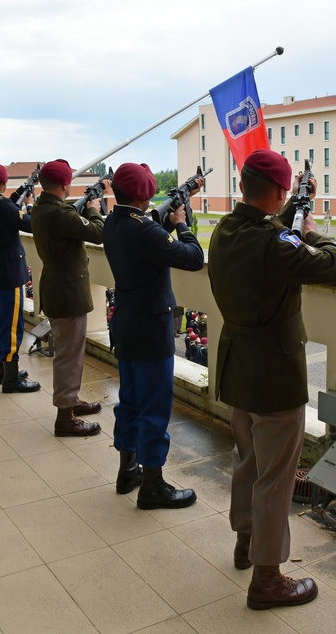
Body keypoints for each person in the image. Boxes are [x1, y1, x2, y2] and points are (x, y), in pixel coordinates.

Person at [208, 149, 336, 610]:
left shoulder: (225, 231)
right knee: (276, 477)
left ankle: (246, 543)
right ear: (278, 191)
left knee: (248, 461)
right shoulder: (276, 245)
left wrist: (294, 207)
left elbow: (269, 230)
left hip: (237, 365)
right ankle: (268, 578)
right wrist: (314, 231)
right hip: (273, 370)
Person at [102, 162, 204, 507]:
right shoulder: (144, 230)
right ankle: (153, 485)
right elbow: (193, 258)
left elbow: (146, 235)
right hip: (150, 327)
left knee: (129, 401)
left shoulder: (114, 222)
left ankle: (127, 469)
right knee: (155, 407)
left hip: (127, 324)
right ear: (147, 194)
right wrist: (182, 224)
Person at [31, 159, 105, 437]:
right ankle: (65, 416)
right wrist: (95, 210)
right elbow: (98, 233)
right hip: (68, 290)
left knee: (69, 352)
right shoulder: (61, 213)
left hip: (58, 285)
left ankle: (71, 400)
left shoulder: (42, 206)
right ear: (66, 184)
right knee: (68, 356)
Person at [0, 162, 40, 393]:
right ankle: (12, 379)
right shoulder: (3, 206)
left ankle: (3, 370)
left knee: (1, 322)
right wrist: (31, 205)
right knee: (13, 326)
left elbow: (5, 207)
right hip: (10, 272)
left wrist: (20, 192)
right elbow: (29, 225)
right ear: (4, 183)